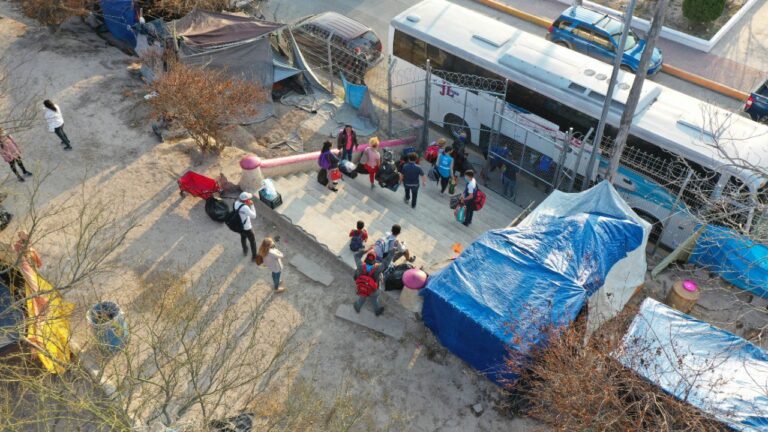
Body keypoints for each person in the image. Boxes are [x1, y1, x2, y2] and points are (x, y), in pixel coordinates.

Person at [352, 251, 393, 316]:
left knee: (363, 296)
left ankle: (357, 306)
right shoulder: (378, 268)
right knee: (374, 299)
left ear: (366, 258)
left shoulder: (360, 265)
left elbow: (356, 256)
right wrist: (392, 252)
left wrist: (365, 250)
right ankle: (377, 310)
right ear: (374, 261)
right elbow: (386, 263)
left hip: (363, 287)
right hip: (374, 289)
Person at [236, 192, 258, 261]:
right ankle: (254, 257)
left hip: (239, 226)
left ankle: (245, 250)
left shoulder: (236, 203)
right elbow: (254, 216)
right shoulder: (245, 208)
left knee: (243, 237)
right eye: (248, 199)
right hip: (247, 228)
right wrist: (252, 205)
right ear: (246, 201)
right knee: (253, 241)